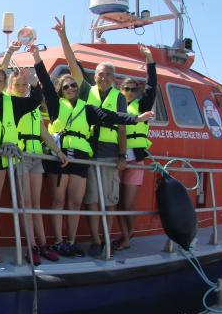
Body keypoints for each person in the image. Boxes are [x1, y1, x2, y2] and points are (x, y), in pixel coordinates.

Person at [32, 42, 153, 260]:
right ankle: (59, 242)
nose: (71, 89)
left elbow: (112, 117)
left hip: (81, 158)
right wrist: (36, 57)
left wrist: (137, 118)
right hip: (59, 157)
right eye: (66, 86)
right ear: (60, 90)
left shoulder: (87, 108)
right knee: (59, 201)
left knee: (77, 202)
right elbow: (46, 80)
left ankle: (72, 241)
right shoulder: (55, 103)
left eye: (73, 86)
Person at [53, 15, 128, 258]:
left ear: (114, 78)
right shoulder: (86, 91)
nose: (103, 77)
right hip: (88, 152)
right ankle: (96, 240)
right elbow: (72, 64)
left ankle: (106, 239)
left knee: (108, 200)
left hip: (108, 153)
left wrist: (122, 154)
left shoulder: (118, 97)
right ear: (94, 76)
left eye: (107, 74)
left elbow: (122, 127)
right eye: (99, 74)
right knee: (91, 200)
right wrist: (63, 35)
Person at [2, 42, 66, 265]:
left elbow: (43, 133)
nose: (20, 87)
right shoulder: (8, 104)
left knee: (35, 203)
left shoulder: (33, 108)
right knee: (25, 203)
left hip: (36, 157)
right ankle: (31, 246)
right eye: (17, 84)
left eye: (23, 84)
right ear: (11, 86)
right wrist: (9, 52)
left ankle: (42, 243)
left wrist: (58, 151)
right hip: (19, 157)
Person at [0, 60, 42, 263]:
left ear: (4, 83)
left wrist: (33, 82)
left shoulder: (12, 102)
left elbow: (35, 100)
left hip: (4, 160)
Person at [114, 45, 157, 252]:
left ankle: (127, 237)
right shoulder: (116, 106)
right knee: (118, 202)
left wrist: (149, 60)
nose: (130, 92)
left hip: (136, 159)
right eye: (126, 88)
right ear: (120, 90)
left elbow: (152, 87)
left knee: (127, 203)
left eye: (133, 89)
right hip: (118, 157)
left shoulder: (142, 106)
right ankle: (126, 236)